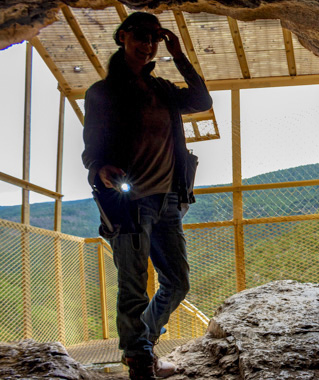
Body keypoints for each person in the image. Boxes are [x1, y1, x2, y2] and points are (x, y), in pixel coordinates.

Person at [81, 11, 212, 379]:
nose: (148, 44)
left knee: (177, 281)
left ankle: (144, 345)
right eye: (141, 36)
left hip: (168, 200)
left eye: (154, 37)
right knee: (134, 283)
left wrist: (179, 53)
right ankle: (139, 360)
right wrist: (99, 168)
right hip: (128, 203)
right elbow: (91, 147)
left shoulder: (163, 91)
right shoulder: (103, 93)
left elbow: (202, 100)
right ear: (123, 37)